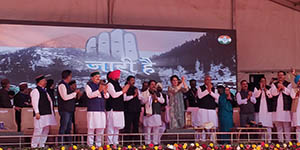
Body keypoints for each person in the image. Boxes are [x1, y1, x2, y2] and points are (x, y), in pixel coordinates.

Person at [31, 75, 57, 148]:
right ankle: (34, 146)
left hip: (47, 113)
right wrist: (37, 112)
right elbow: (34, 102)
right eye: (44, 80)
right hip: (40, 114)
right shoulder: (36, 91)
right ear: (40, 82)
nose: (46, 82)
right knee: (38, 130)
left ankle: (41, 145)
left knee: (45, 130)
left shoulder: (44, 90)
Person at [85, 71, 109, 147]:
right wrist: (99, 90)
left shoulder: (101, 85)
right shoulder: (88, 85)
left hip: (101, 110)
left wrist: (105, 91)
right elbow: (89, 95)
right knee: (91, 129)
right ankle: (90, 145)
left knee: (101, 128)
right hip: (93, 110)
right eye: (96, 77)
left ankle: (99, 145)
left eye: (99, 76)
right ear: (92, 78)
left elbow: (107, 96)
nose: (98, 78)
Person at [106, 70, 130, 146]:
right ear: (114, 76)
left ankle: (115, 143)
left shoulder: (117, 84)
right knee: (111, 127)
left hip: (119, 108)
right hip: (112, 109)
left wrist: (124, 92)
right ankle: (110, 143)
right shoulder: (109, 84)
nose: (119, 77)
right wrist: (123, 91)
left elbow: (122, 97)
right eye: (118, 75)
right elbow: (113, 95)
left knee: (117, 127)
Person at [57, 70, 80, 144]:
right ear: (68, 76)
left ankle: (68, 144)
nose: (71, 77)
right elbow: (65, 97)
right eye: (70, 76)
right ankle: (61, 144)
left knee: (68, 128)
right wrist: (74, 93)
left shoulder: (66, 85)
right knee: (63, 127)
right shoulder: (62, 85)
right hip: (64, 110)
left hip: (69, 109)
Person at [141, 80, 165, 145]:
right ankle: (147, 143)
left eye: (154, 84)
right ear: (149, 86)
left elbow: (162, 101)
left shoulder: (158, 93)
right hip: (148, 114)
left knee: (156, 129)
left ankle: (155, 142)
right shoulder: (145, 93)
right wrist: (150, 97)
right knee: (148, 129)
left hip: (156, 113)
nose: (154, 86)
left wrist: (156, 98)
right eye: (152, 84)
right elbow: (142, 101)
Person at [271, 71, 292, 143]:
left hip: (285, 108)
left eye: (282, 75)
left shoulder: (289, 84)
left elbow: (289, 93)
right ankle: (280, 142)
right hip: (277, 109)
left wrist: (283, 87)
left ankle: (288, 142)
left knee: (286, 126)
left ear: (284, 76)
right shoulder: (274, 84)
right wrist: (278, 89)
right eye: (279, 75)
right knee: (278, 126)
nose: (280, 77)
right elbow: (273, 93)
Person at [197, 75, 219, 141]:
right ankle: (202, 140)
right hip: (202, 109)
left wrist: (210, 92)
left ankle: (212, 140)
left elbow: (217, 98)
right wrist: (207, 90)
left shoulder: (214, 89)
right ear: (204, 81)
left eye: (209, 80)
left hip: (211, 110)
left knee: (212, 125)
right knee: (203, 125)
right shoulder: (200, 88)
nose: (208, 81)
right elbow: (200, 96)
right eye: (207, 79)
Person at [253, 77, 273, 143]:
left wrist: (265, 90)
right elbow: (256, 95)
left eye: (264, 81)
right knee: (260, 125)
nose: (263, 83)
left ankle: (269, 141)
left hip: (267, 110)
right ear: (259, 82)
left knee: (268, 125)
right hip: (259, 109)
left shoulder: (269, 88)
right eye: (262, 81)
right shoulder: (256, 88)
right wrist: (260, 89)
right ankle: (261, 141)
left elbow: (270, 96)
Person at [124, 76, 142, 145]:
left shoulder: (136, 88)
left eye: (134, 80)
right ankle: (126, 143)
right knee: (127, 126)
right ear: (128, 81)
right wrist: (133, 96)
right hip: (128, 110)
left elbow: (140, 98)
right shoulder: (125, 88)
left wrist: (137, 94)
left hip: (136, 110)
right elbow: (124, 98)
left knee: (136, 126)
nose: (133, 81)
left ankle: (136, 142)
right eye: (131, 80)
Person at [291, 75, 300, 142]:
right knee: (298, 126)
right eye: (299, 81)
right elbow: (293, 96)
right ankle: (298, 142)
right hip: (297, 109)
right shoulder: (293, 89)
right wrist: (298, 92)